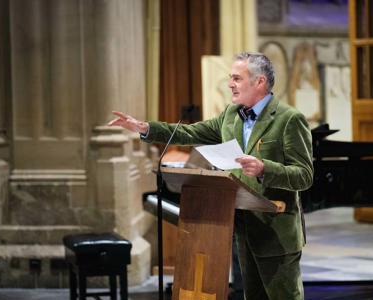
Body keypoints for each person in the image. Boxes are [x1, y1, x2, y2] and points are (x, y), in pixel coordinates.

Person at [108, 52, 314, 300]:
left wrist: (264, 168)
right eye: (231, 78)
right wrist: (145, 128)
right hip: (243, 228)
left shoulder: (289, 119)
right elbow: (189, 133)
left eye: (237, 78)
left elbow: (304, 175)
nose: (230, 84)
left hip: (277, 234)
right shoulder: (230, 115)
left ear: (259, 82)